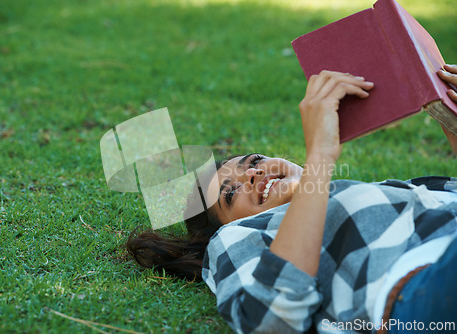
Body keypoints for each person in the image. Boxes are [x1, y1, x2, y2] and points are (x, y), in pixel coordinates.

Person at [126, 64, 457, 333]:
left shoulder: (362, 191)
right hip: (418, 290)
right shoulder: (238, 235)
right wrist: (321, 155)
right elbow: (269, 320)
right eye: (232, 193)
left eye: (253, 162)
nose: (253, 174)